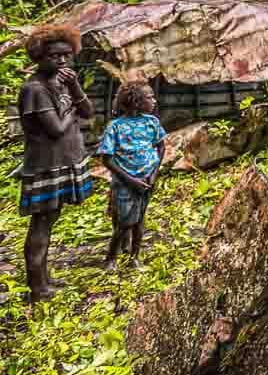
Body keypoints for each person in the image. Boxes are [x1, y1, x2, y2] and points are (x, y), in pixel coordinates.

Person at [17, 25, 95, 303]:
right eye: (54, 56)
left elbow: (88, 112)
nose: (62, 61)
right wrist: (72, 110)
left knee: (51, 220)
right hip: (46, 164)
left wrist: (74, 87)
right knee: (41, 223)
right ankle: (37, 286)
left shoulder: (62, 82)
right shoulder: (34, 88)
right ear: (39, 56)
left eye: (66, 55)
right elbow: (56, 128)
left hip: (64, 160)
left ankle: (44, 277)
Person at [98, 82, 165, 270]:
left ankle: (134, 258)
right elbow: (107, 160)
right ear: (136, 102)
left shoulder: (152, 122)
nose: (154, 100)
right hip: (125, 183)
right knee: (125, 222)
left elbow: (161, 147)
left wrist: (153, 174)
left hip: (147, 181)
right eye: (149, 97)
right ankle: (111, 258)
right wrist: (130, 180)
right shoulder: (116, 127)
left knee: (140, 221)